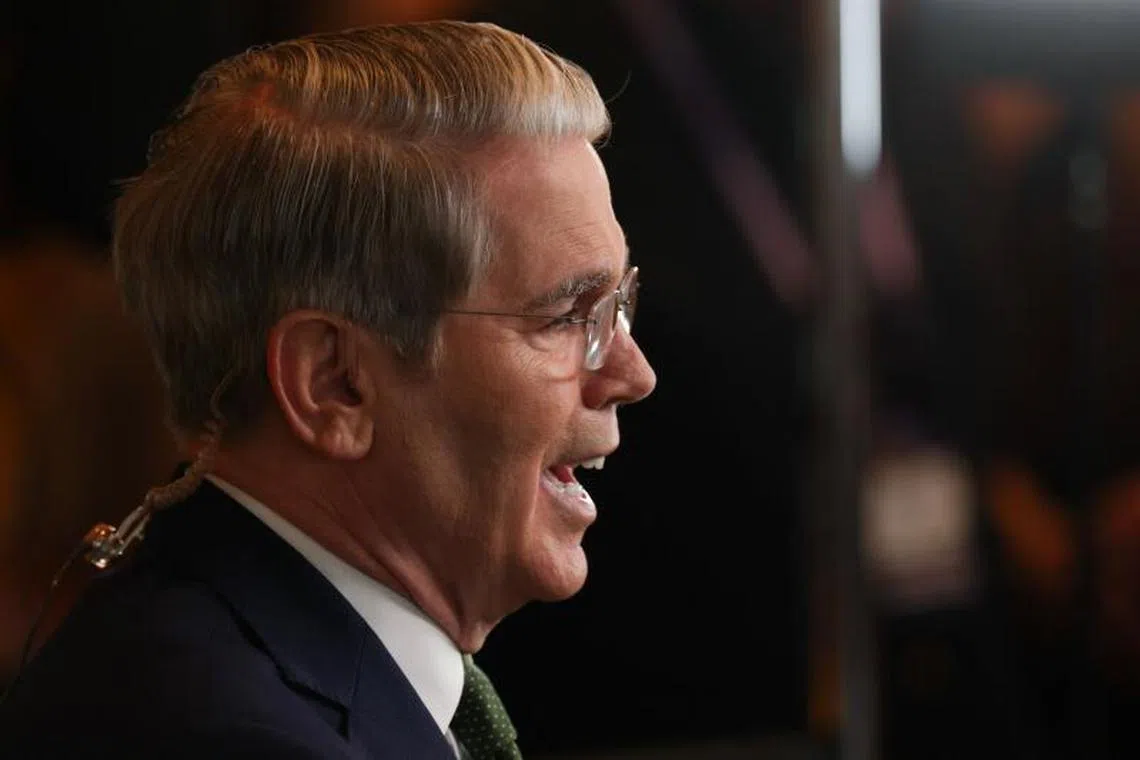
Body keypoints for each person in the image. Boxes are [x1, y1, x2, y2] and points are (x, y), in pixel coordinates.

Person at [0, 20, 655, 759]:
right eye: (570, 316)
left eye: (618, 306)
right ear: (333, 383)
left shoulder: (260, 657)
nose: (634, 374)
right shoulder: (227, 736)